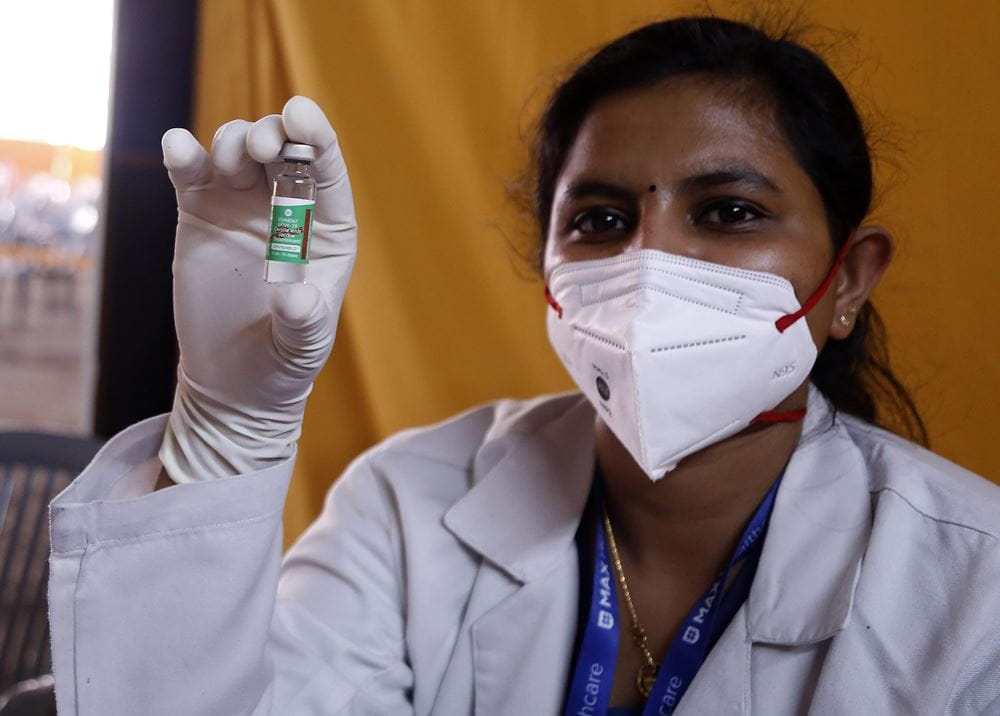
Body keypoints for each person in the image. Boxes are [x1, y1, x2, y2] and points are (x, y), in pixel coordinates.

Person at [48, 16, 1000, 716]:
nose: (647, 262)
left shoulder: (974, 587)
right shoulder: (406, 506)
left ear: (848, 281)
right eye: (600, 220)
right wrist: (225, 430)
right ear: (544, 265)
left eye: (729, 212)